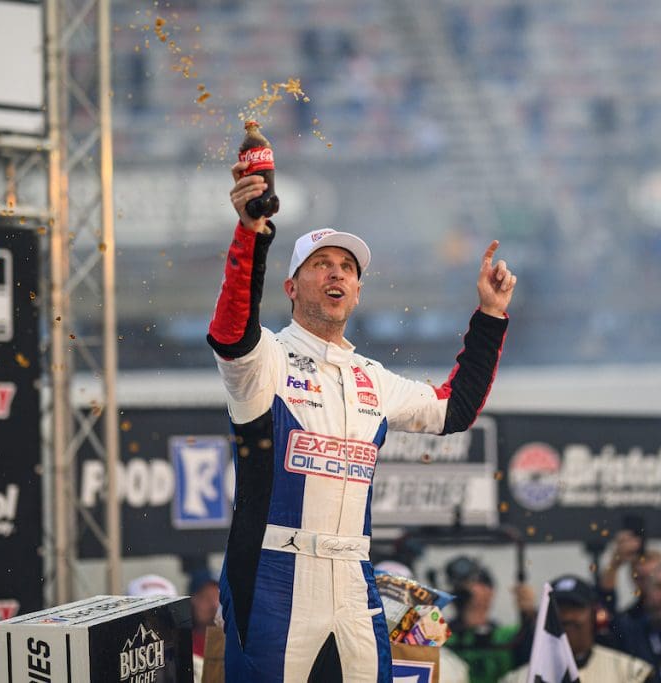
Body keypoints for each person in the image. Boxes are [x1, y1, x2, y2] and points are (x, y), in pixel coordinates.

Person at [207, 162, 514, 681]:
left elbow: (454, 409)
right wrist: (252, 234)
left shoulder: (372, 376)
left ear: (357, 291)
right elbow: (231, 331)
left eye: (347, 268)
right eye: (321, 264)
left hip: (354, 574)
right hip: (276, 572)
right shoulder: (265, 358)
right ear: (292, 285)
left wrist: (490, 315)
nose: (336, 274)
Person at [500, 575, 652, 682]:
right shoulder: (517, 680)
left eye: (575, 608)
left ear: (594, 615)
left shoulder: (632, 674)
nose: (566, 617)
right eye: (558, 609)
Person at [443, 556, 535, 683]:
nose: (466, 588)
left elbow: (535, 656)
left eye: (476, 582)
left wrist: (530, 614)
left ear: (490, 591)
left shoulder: (507, 636)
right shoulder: (439, 636)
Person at [598, 529, 661, 621]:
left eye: (652, 578)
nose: (647, 584)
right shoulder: (630, 619)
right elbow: (606, 608)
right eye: (640, 578)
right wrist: (614, 565)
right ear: (632, 578)